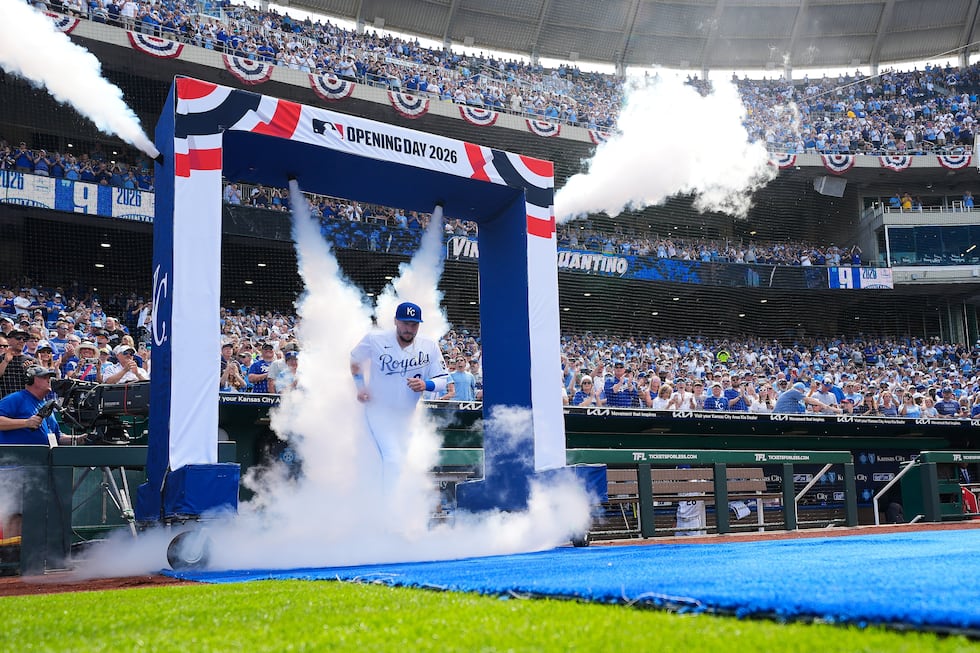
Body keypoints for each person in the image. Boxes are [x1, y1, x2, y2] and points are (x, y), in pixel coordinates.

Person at [350, 302, 451, 494]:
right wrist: (360, 385)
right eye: (405, 323)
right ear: (395, 321)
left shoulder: (428, 345)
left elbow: (444, 380)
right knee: (392, 458)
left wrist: (426, 385)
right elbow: (355, 360)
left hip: (406, 416)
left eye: (414, 324)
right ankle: (384, 510)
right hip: (378, 410)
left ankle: (380, 504)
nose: (409, 328)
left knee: (399, 463)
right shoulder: (375, 339)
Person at [0, 366, 79, 445]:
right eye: (44, 377)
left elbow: (58, 438)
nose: (49, 380)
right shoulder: (16, 398)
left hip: (43, 455)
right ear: (30, 380)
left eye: (49, 377)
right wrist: (26, 423)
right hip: (15, 456)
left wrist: (80, 439)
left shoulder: (47, 405)